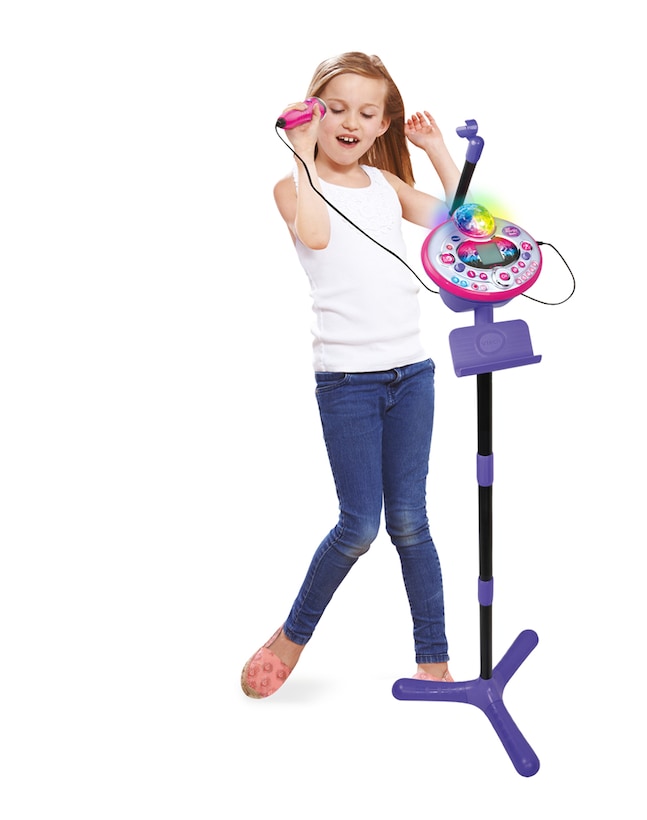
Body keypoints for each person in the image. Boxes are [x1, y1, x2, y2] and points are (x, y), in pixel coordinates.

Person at [241, 52, 462, 698]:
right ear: (312, 113)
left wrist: (436, 151)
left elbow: (460, 223)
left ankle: (434, 663)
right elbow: (315, 235)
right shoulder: (293, 186)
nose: (350, 123)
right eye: (336, 109)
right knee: (360, 525)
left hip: (411, 375)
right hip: (348, 384)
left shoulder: (386, 184)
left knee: (411, 523)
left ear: (383, 124)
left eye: (367, 114)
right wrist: (302, 154)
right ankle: (292, 636)